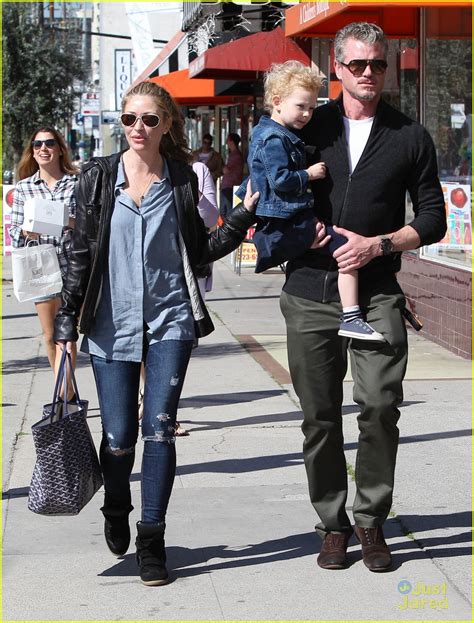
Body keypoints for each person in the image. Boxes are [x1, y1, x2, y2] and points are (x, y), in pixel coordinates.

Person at [53, 81, 258, 587]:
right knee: (119, 438)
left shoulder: (184, 179)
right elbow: (77, 252)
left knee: (160, 427)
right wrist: (66, 323)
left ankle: (152, 540)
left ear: (167, 123)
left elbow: (199, 249)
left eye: (148, 119)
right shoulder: (99, 178)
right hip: (108, 323)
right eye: (128, 119)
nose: (137, 129)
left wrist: (240, 218)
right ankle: (117, 503)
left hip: (170, 321)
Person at [280, 22, 446, 572]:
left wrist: (381, 245)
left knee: (378, 405)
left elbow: (432, 218)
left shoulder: (409, 135)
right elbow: (270, 184)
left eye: (377, 64)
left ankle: (371, 521)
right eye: (357, 64)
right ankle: (333, 525)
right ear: (336, 65)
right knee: (319, 416)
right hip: (309, 289)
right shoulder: (306, 126)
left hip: (376, 293)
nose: (368, 73)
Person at [237, 60, 384, 341]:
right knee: (348, 252)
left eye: (312, 108)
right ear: (277, 102)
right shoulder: (273, 139)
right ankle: (352, 316)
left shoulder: (279, 134)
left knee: (339, 249)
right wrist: (309, 174)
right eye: (301, 106)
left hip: (289, 214)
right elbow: (280, 180)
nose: (307, 114)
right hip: (288, 214)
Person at [10, 126, 78, 394]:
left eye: (49, 143)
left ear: (60, 149)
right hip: (41, 268)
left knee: (69, 336)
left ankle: (63, 397)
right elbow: (14, 234)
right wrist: (27, 230)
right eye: (37, 145)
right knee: (51, 336)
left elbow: (89, 225)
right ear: (32, 152)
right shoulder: (25, 188)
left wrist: (67, 221)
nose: (43, 149)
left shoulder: (77, 182)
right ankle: (66, 393)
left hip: (74, 266)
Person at [219, 132, 244, 220]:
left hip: (230, 186)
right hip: (230, 186)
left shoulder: (235, 155)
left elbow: (226, 170)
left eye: (228, 140)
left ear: (231, 141)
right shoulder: (234, 154)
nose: (226, 142)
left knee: (226, 212)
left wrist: (220, 164)